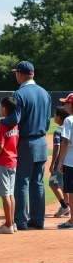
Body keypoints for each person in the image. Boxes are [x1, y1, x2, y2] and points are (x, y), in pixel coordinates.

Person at [0, 61, 51, 230]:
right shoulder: (45, 93)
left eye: (16, 73)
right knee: (37, 182)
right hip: (42, 141)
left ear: (20, 75)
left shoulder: (20, 93)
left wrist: (0, 122)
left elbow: (15, 119)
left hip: (26, 142)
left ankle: (20, 220)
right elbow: (48, 122)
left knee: (22, 181)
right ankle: (38, 219)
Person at [0, 97, 19, 234]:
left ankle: (8, 224)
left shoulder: (4, 125)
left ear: (5, 109)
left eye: (0, 106)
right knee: (11, 194)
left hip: (3, 162)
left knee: (5, 195)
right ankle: (11, 223)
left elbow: (0, 145)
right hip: (13, 161)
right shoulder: (15, 124)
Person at [49, 107, 70, 218]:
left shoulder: (58, 131)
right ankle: (68, 206)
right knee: (64, 185)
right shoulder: (68, 128)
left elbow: (57, 147)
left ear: (59, 117)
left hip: (59, 162)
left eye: (55, 115)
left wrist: (53, 163)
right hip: (68, 161)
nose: (54, 117)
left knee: (53, 184)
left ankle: (64, 206)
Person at [57, 94, 73, 228]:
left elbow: (66, 141)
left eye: (67, 103)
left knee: (72, 191)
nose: (64, 105)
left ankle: (72, 220)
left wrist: (61, 160)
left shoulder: (69, 120)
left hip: (71, 161)